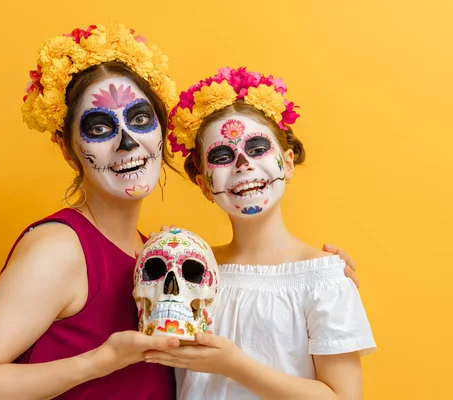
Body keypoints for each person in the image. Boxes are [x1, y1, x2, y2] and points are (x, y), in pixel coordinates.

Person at [0, 26, 359, 399]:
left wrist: (318, 277)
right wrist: (102, 360)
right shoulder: (61, 248)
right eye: (99, 129)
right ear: (68, 150)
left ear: (160, 131)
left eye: (140, 119)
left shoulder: (159, 255)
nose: (126, 143)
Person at [144, 67, 376, 400]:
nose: (242, 163)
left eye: (256, 149)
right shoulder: (189, 270)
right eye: (222, 156)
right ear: (204, 184)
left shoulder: (324, 277)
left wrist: (235, 365)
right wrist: (164, 252)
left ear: (289, 162)